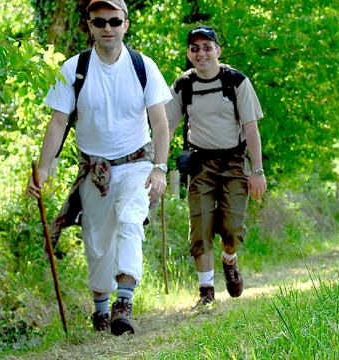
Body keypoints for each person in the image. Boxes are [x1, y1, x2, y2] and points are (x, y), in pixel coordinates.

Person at [26, 0, 172, 335]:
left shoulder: (143, 66)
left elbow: (160, 123)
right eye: (100, 22)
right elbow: (59, 121)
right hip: (94, 169)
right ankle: (102, 310)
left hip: (136, 163)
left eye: (114, 21)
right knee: (97, 239)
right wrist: (45, 168)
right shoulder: (74, 69)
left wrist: (160, 168)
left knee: (131, 219)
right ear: (90, 26)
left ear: (126, 24)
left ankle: (125, 300)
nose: (107, 28)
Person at [166, 25, 266, 307]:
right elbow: (167, 126)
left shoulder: (236, 81)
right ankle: (206, 291)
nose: (201, 53)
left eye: (207, 47)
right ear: (188, 53)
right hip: (200, 163)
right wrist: (155, 163)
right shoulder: (183, 85)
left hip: (234, 162)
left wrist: (257, 171)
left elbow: (251, 128)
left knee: (232, 228)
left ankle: (230, 259)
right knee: (200, 226)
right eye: (195, 48)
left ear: (218, 51)